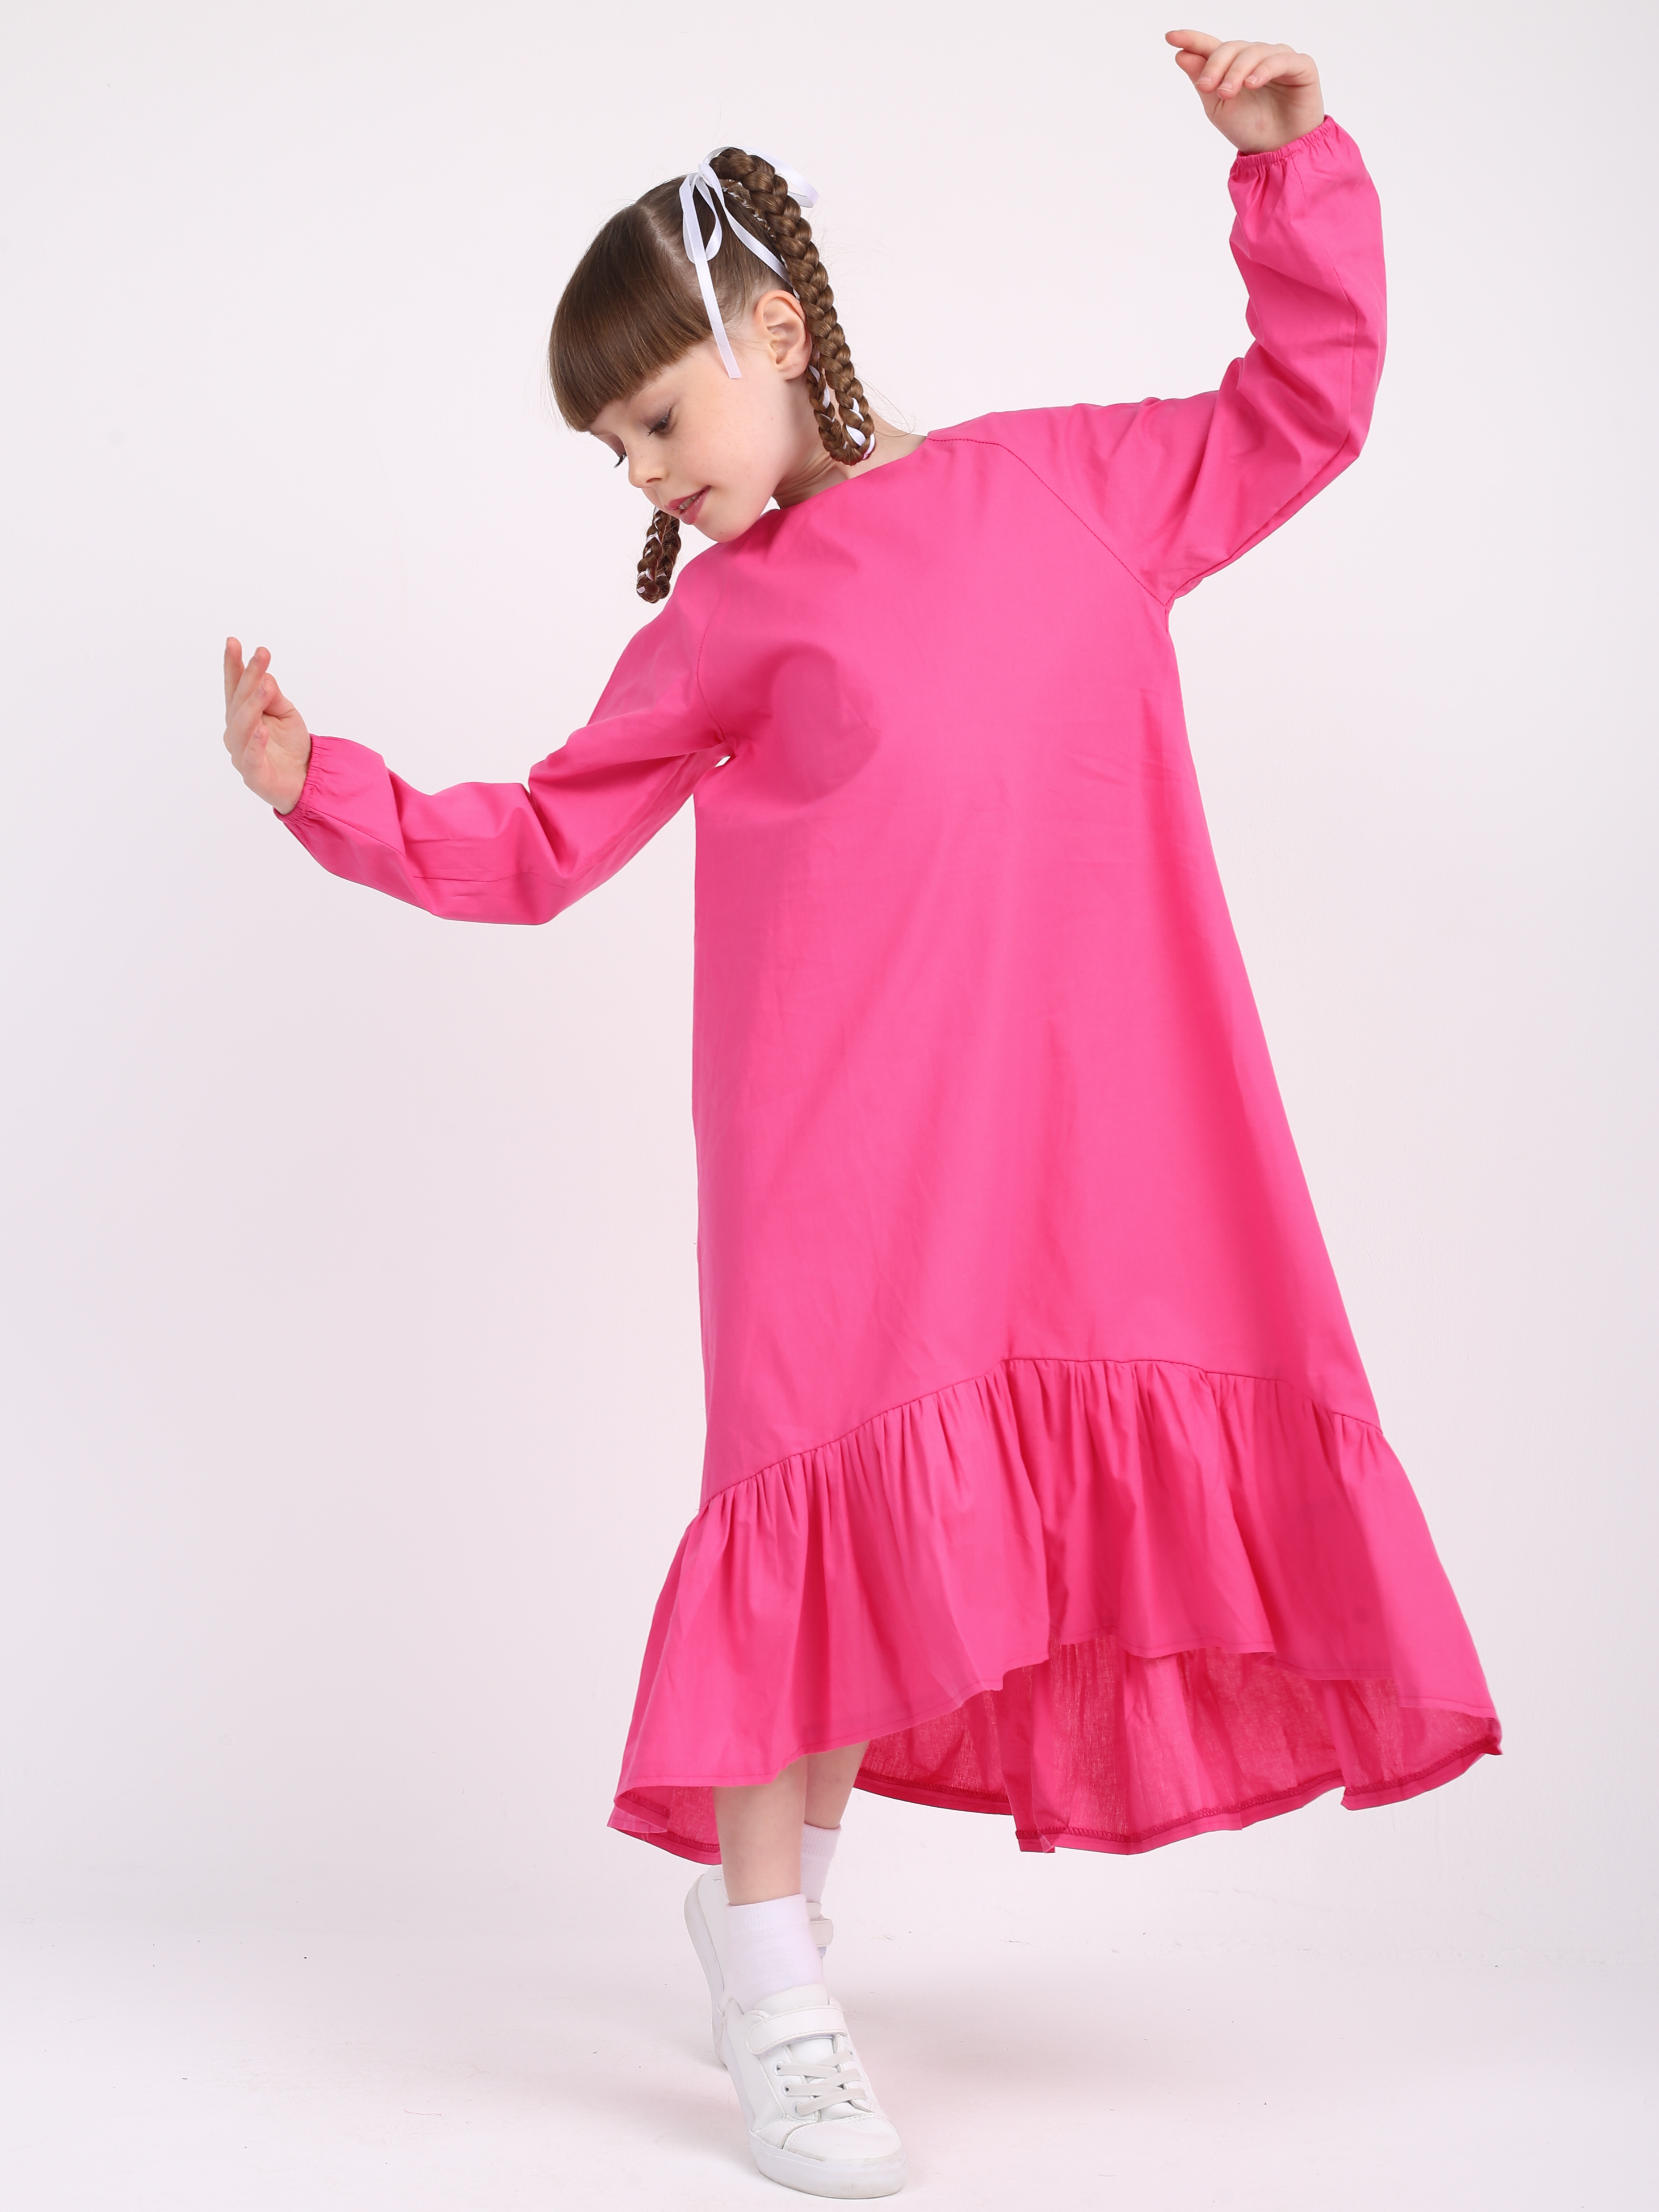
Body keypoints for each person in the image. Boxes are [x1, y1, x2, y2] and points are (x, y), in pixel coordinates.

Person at [221, 29, 1501, 2199]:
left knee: (908, 1509)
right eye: (611, 446)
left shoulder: (1066, 488)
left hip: (1079, 1128)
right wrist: (319, 791)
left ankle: (768, 1923)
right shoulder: (727, 618)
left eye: (656, 415)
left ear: (777, 337)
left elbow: (1302, 404)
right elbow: (541, 838)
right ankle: (774, 1987)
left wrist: (1286, 166)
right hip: (833, 1149)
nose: (642, 470)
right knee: (809, 1501)